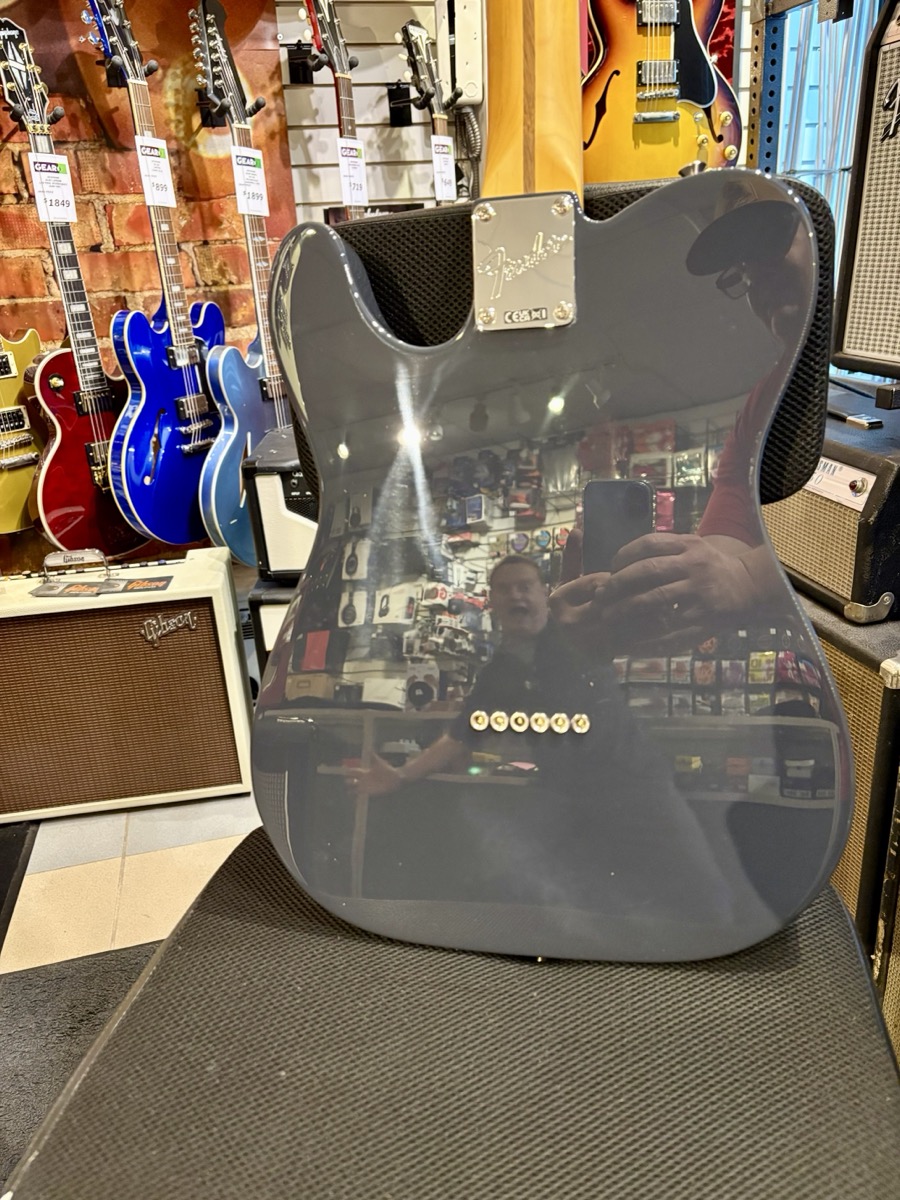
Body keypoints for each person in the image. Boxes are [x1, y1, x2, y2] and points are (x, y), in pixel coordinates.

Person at [550, 178, 816, 656]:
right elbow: (726, 545)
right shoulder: (760, 403)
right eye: (743, 269)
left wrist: (749, 579)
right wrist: (637, 604)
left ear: (822, 243)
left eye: (768, 242)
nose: (757, 279)